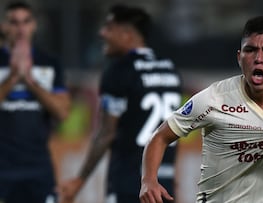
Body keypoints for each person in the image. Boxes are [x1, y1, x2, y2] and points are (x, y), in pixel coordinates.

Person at [140, 16, 263, 203]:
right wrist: (148, 181)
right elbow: (159, 136)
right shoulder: (213, 99)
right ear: (239, 57)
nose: (258, 58)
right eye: (250, 50)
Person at [57, 4, 182, 203]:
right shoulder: (170, 70)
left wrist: (79, 180)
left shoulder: (119, 71)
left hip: (130, 182)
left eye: (108, 27)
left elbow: (106, 133)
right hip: (162, 183)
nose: (102, 33)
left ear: (126, 34)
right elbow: (175, 129)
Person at [0, 2, 70, 203]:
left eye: (25, 22)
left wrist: (30, 81)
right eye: (14, 22)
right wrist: (13, 77)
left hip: (39, 169)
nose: (20, 29)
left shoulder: (49, 62)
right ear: (4, 26)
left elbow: (63, 113)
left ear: (34, 25)